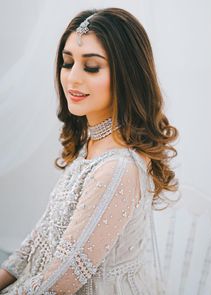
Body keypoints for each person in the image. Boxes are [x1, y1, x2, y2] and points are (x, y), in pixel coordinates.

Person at [0, 7, 179, 294]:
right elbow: (41, 237)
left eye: (91, 67)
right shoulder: (93, 142)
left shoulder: (118, 168)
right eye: (67, 63)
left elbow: (59, 282)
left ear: (127, 74)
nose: (72, 78)